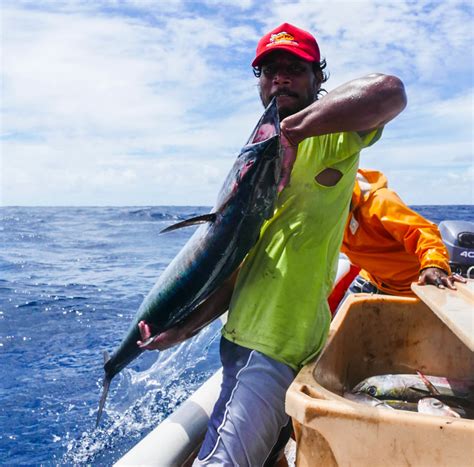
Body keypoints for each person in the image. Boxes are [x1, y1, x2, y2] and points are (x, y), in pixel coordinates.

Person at [138, 23, 407, 466]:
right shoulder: (254, 153)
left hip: (299, 342)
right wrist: (185, 327)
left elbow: (390, 92)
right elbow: (237, 263)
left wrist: (293, 131)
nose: (279, 77)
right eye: (269, 70)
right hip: (257, 342)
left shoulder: (334, 133)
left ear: (318, 78)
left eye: (294, 68)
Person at [340, 168, 466, 297]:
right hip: (369, 281)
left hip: (413, 289)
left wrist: (434, 264)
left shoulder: (380, 202)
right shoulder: (327, 216)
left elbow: (421, 232)